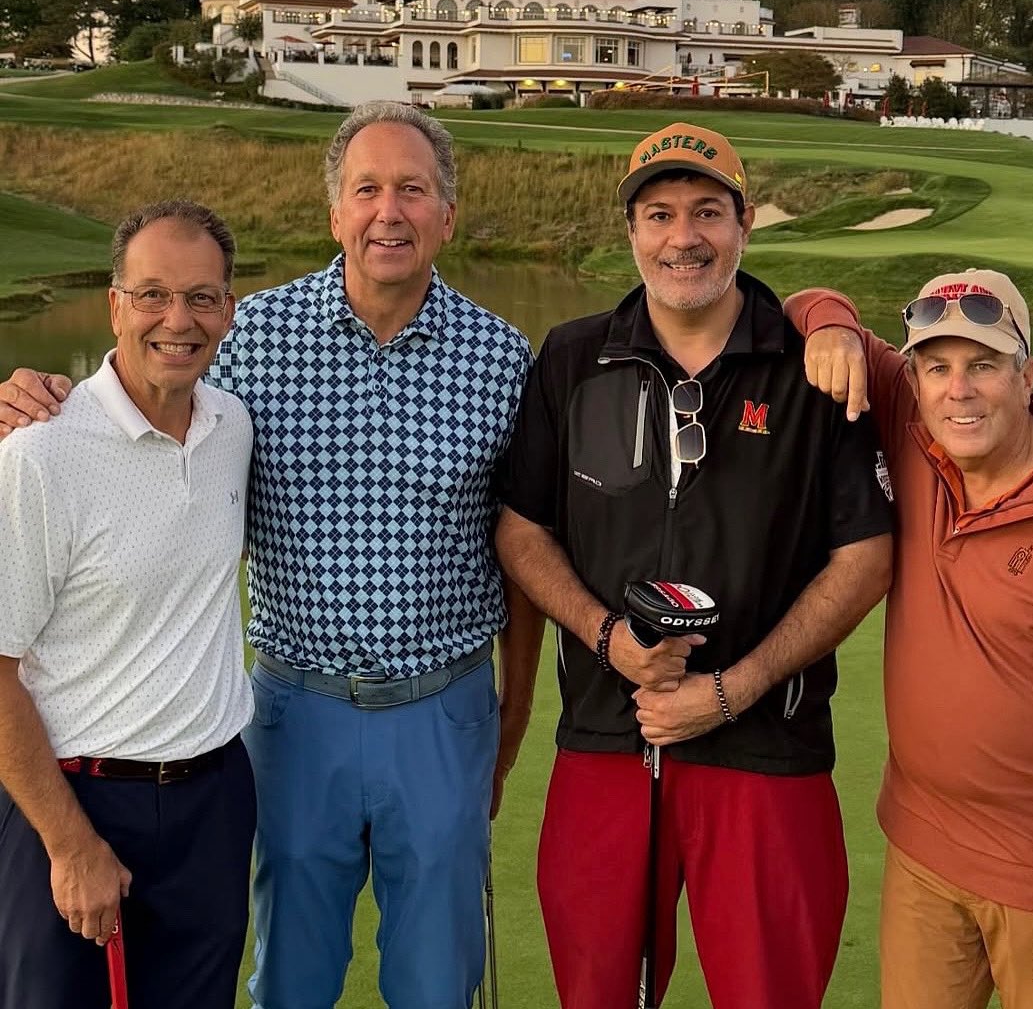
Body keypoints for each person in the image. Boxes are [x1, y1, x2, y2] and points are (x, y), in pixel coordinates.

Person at [0, 102, 544, 1009]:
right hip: (294, 711)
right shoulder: (247, 335)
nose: (388, 212)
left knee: (435, 983)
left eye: (413, 190)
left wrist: (512, 718)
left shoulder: (503, 357)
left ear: (448, 215)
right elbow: (139, 385)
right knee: (291, 979)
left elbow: (525, 548)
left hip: (443, 709)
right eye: (366, 189)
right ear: (334, 213)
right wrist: (31, 398)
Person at [494, 121, 895, 1009]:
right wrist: (608, 637)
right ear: (631, 231)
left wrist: (731, 690)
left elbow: (866, 557)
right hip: (607, 735)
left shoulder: (815, 368)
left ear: (745, 223)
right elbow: (523, 531)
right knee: (597, 994)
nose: (685, 237)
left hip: (767, 747)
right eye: (660, 214)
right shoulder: (572, 358)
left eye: (708, 211)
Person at [786, 270, 1033, 1009]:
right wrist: (831, 322)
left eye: (984, 365)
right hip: (922, 851)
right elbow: (806, 306)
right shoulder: (913, 422)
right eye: (937, 367)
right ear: (914, 380)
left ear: (1027, 376)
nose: (957, 390)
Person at [0, 200, 256, 1009]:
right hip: (74, 802)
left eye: (202, 297)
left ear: (228, 311)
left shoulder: (232, 426)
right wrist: (70, 845)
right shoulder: (40, 452)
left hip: (214, 803)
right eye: (152, 295)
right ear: (115, 305)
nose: (177, 320)